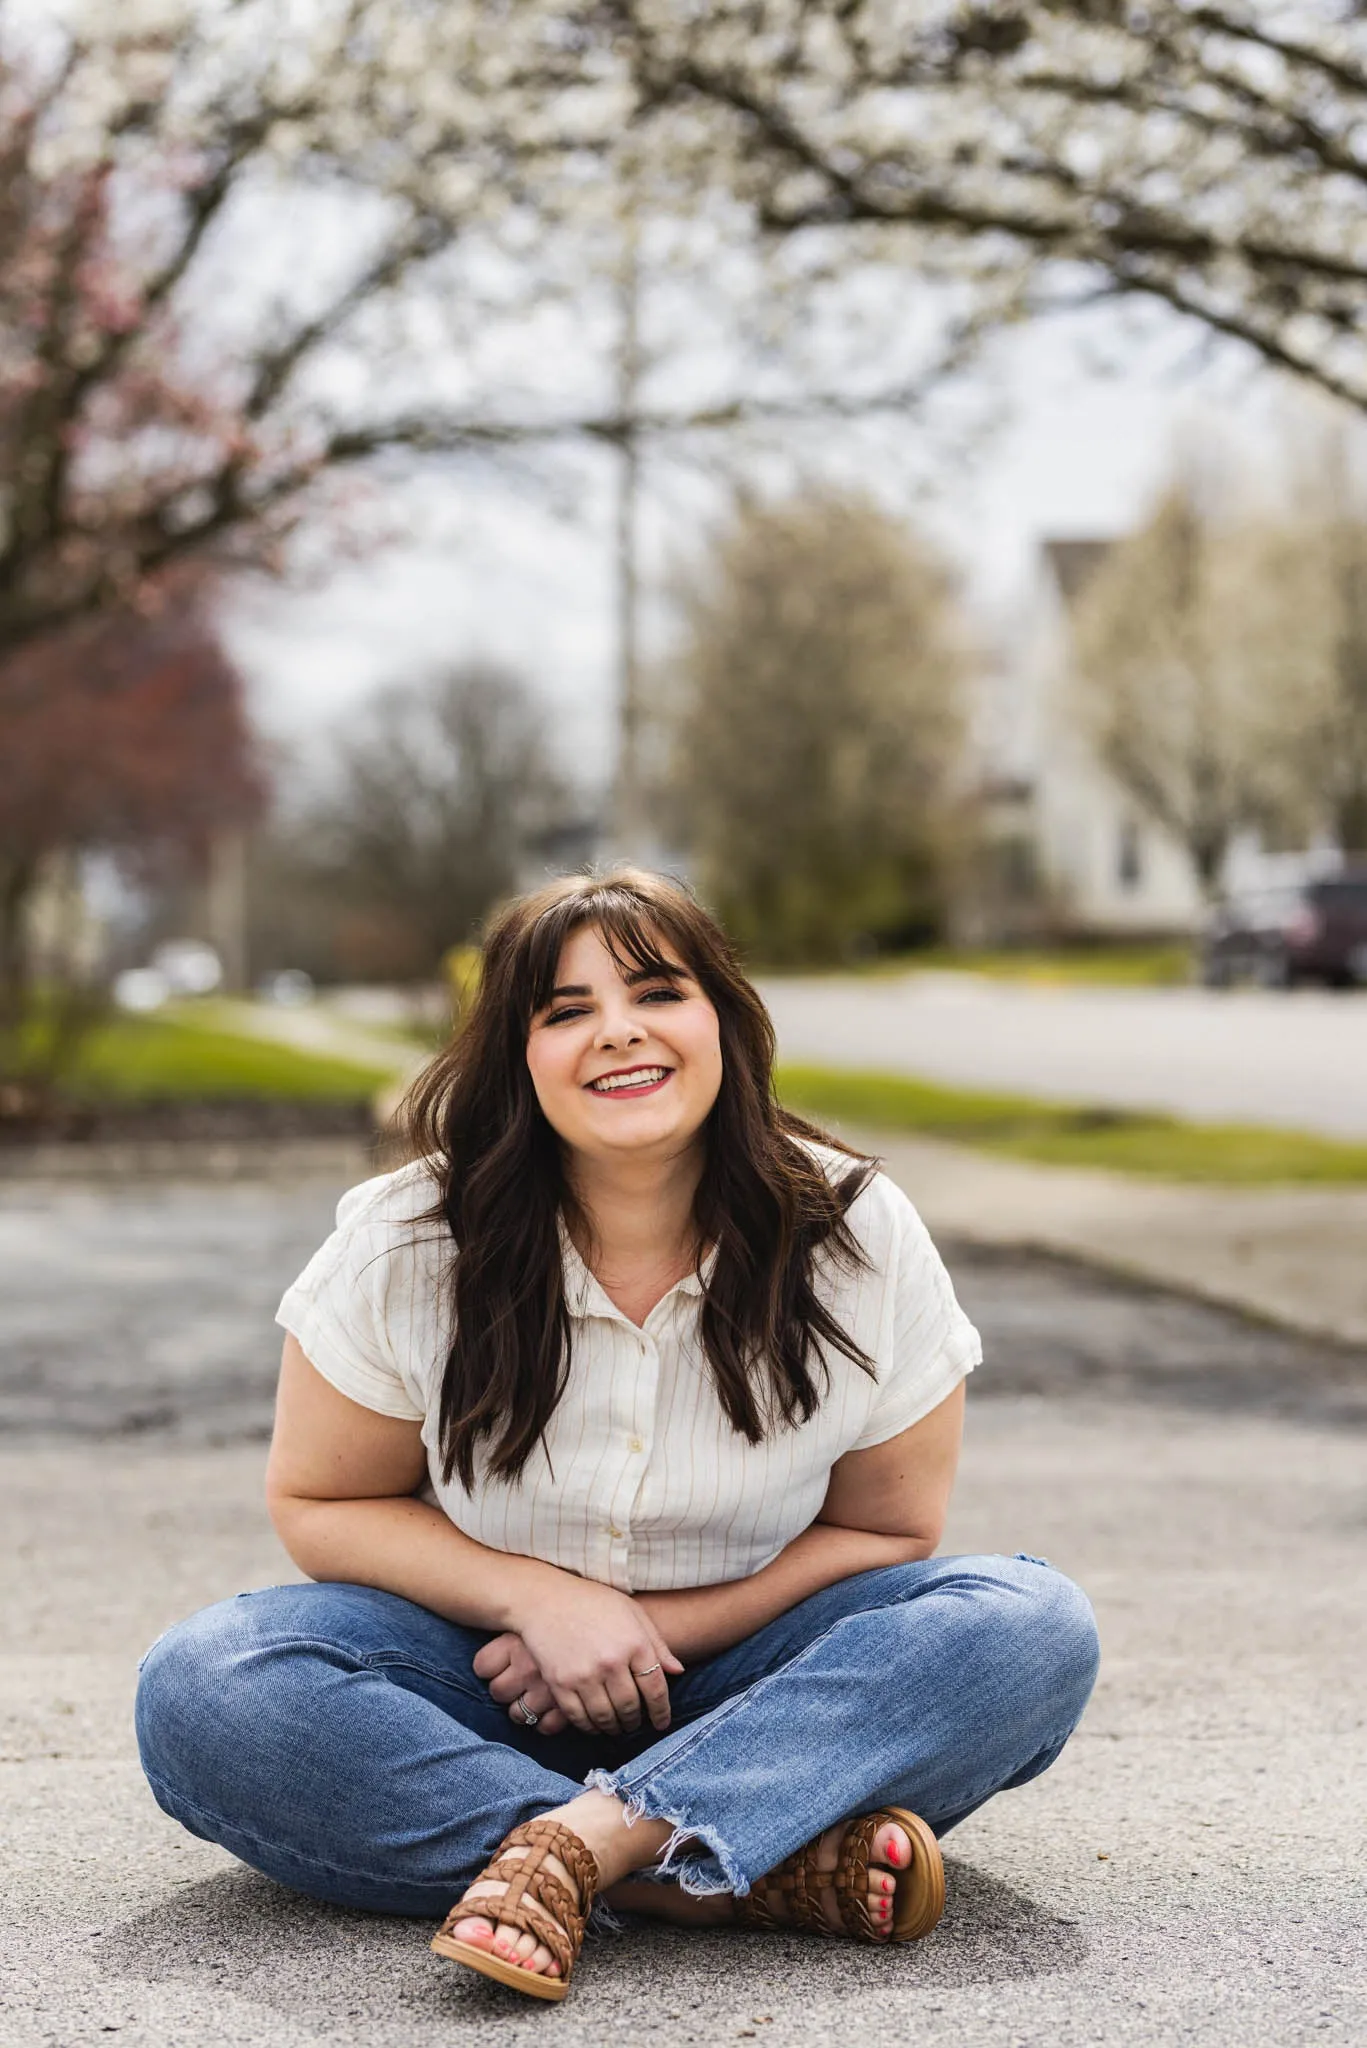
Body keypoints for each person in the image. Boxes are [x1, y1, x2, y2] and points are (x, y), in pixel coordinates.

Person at [135, 869, 1099, 2004]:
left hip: (760, 1686)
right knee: (204, 1686)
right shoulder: (406, 1238)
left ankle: (585, 1848)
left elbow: (886, 1526)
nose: (618, 1032)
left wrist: (639, 1629)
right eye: (565, 1009)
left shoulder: (854, 1233)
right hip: (475, 1682)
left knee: (1028, 1626)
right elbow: (323, 1502)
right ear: (517, 1053)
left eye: (656, 990)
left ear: (723, 1022)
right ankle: (725, 1864)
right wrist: (536, 1601)